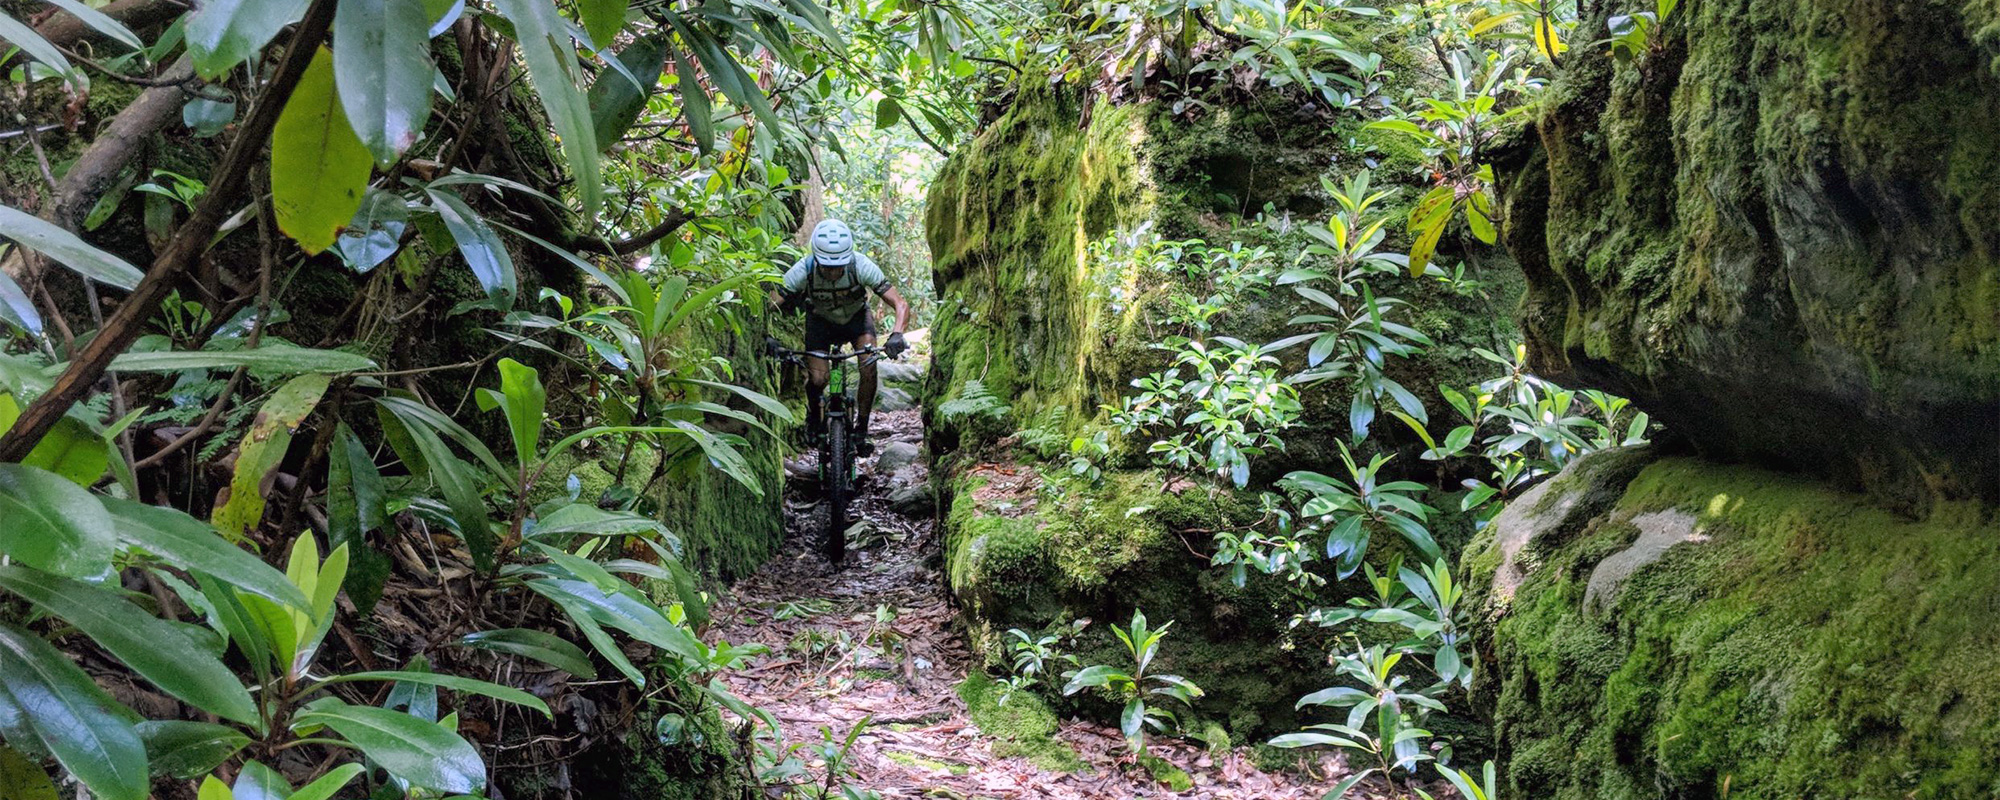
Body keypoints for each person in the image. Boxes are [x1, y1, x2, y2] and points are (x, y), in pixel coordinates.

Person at [768, 219, 911, 456]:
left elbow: (900, 303)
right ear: (817, 259)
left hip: (857, 320)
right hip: (820, 323)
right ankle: (815, 416)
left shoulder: (861, 265)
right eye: (827, 267)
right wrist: (767, 337)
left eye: (839, 266)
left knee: (868, 366)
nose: (833, 272)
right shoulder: (804, 269)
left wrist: (897, 334)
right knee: (818, 379)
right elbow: (770, 304)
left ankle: (862, 428)